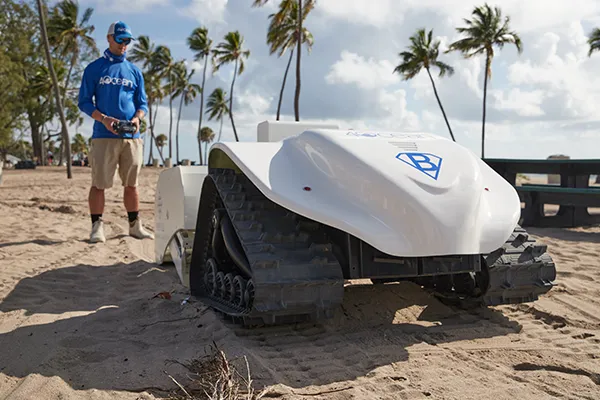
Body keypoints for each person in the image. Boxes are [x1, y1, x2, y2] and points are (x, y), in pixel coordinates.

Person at [78, 21, 153, 243]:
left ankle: (135, 225)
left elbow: (143, 103)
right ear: (109, 38)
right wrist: (104, 119)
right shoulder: (94, 68)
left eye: (127, 41)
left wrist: (137, 119)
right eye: (120, 39)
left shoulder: (134, 71)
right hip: (103, 136)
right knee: (99, 183)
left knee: (132, 184)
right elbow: (83, 102)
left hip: (131, 137)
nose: (123, 45)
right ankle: (96, 227)